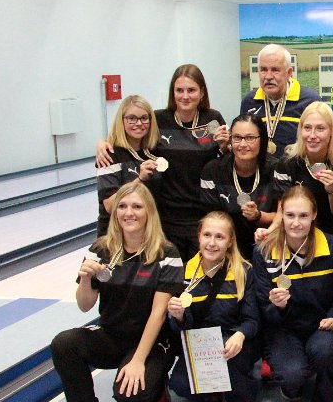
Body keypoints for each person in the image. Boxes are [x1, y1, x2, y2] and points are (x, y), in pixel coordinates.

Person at [51, 180, 184, 402]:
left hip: (152, 340)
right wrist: (86, 279)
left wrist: (138, 361)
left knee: (132, 397)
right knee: (64, 343)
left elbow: (158, 314)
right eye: (122, 206)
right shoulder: (100, 249)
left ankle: (157, 387)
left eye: (137, 206)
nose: (128, 213)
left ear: (149, 212)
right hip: (112, 335)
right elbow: (84, 305)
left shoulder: (166, 253)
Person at [97, 64, 229, 262]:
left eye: (191, 90)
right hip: (165, 217)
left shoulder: (213, 118)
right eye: (179, 90)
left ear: (202, 92)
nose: (185, 96)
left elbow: (225, 159)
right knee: (171, 272)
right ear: (172, 93)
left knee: (199, 273)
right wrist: (103, 143)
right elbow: (133, 134)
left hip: (202, 214)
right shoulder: (158, 119)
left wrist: (226, 146)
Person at [253, 186, 333, 402]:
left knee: (325, 351)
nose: (296, 223)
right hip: (283, 329)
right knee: (292, 376)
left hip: (320, 325)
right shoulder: (264, 251)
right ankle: (297, 374)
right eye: (290, 215)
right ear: (281, 214)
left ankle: (326, 381)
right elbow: (263, 305)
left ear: (314, 215)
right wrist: (279, 307)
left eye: (303, 216)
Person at [167, 212, 260, 402]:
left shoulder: (244, 272)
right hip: (202, 345)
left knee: (232, 361)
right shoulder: (184, 273)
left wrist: (240, 335)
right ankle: (215, 388)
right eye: (207, 235)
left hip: (234, 342)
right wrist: (178, 317)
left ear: (230, 241)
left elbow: (253, 320)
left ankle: (242, 396)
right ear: (198, 236)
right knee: (180, 385)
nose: (212, 243)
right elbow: (177, 329)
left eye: (220, 237)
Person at [270, 102, 333, 237]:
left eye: (320, 128)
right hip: (298, 233)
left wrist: (332, 191)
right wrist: (269, 231)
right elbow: (282, 209)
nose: (312, 135)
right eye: (307, 128)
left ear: (331, 132)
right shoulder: (287, 162)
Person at [201, 114, 275, 259]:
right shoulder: (213, 171)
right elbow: (212, 218)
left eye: (250, 138)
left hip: (268, 245)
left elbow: (283, 214)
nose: (242, 144)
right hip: (225, 249)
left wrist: (258, 216)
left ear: (262, 140)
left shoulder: (276, 169)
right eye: (237, 138)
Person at [240, 43, 321, 161]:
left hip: (298, 170)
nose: (268, 76)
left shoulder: (311, 101)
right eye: (263, 70)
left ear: (289, 73)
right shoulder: (249, 101)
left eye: (275, 70)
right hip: (260, 170)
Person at [96, 95, 159, 236]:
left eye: (144, 118)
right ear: (122, 120)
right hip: (115, 235)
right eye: (132, 118)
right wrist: (140, 179)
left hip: (147, 232)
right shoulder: (109, 155)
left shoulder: (154, 151)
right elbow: (110, 205)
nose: (139, 123)